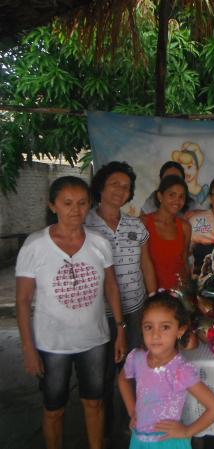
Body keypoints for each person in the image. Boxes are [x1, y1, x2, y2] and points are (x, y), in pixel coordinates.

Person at [15, 176, 127, 449]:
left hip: (95, 340)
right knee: (54, 408)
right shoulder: (34, 245)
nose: (75, 210)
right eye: (67, 203)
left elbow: (111, 286)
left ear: (89, 205)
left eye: (81, 203)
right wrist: (29, 349)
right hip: (51, 345)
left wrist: (120, 330)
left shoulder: (99, 243)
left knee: (95, 401)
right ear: (52, 205)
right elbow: (22, 301)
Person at [87, 161, 157, 438]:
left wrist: (152, 300)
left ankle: (133, 426)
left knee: (133, 371)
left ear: (130, 195)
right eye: (114, 184)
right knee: (102, 374)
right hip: (98, 313)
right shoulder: (85, 224)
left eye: (125, 187)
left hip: (136, 309)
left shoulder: (135, 225)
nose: (120, 190)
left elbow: (147, 265)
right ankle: (104, 431)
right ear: (101, 187)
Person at [118, 292, 214, 448]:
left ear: (180, 331)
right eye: (148, 327)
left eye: (165, 327)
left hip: (168, 442)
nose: (155, 335)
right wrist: (132, 411)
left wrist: (187, 432)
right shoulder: (136, 358)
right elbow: (123, 379)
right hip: (139, 439)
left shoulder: (180, 370)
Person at [142, 175, 192, 291]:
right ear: (160, 196)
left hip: (179, 293)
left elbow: (184, 260)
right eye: (171, 195)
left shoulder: (185, 226)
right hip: (151, 293)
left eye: (181, 197)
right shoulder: (144, 223)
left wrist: (188, 291)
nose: (177, 201)